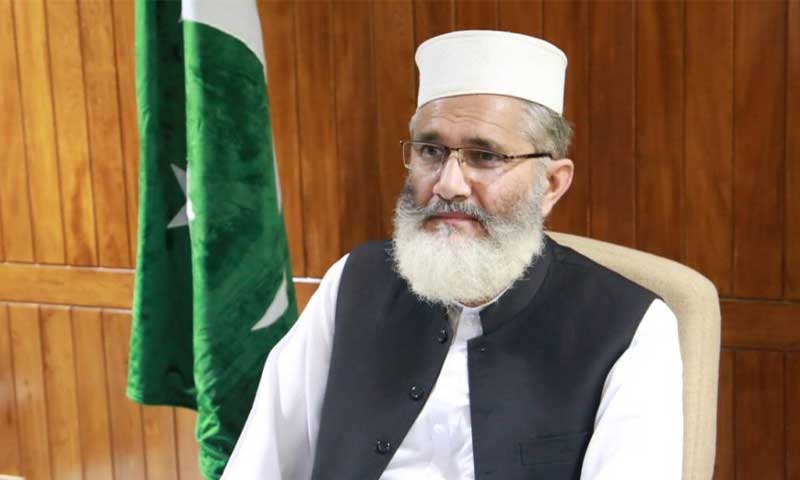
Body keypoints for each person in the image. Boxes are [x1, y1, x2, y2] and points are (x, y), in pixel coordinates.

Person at [222, 30, 683, 480]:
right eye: (431, 151)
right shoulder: (354, 282)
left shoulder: (631, 328)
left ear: (551, 185)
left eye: (484, 156)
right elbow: (261, 463)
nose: (448, 184)